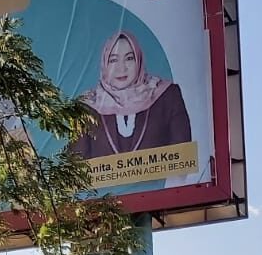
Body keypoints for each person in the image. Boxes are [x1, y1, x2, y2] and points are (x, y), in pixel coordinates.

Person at [72, 30, 193, 159]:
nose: (121, 68)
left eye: (129, 58)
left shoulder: (167, 95)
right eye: (113, 60)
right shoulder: (86, 107)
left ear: (138, 60)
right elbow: (76, 163)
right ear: (105, 64)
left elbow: (183, 157)